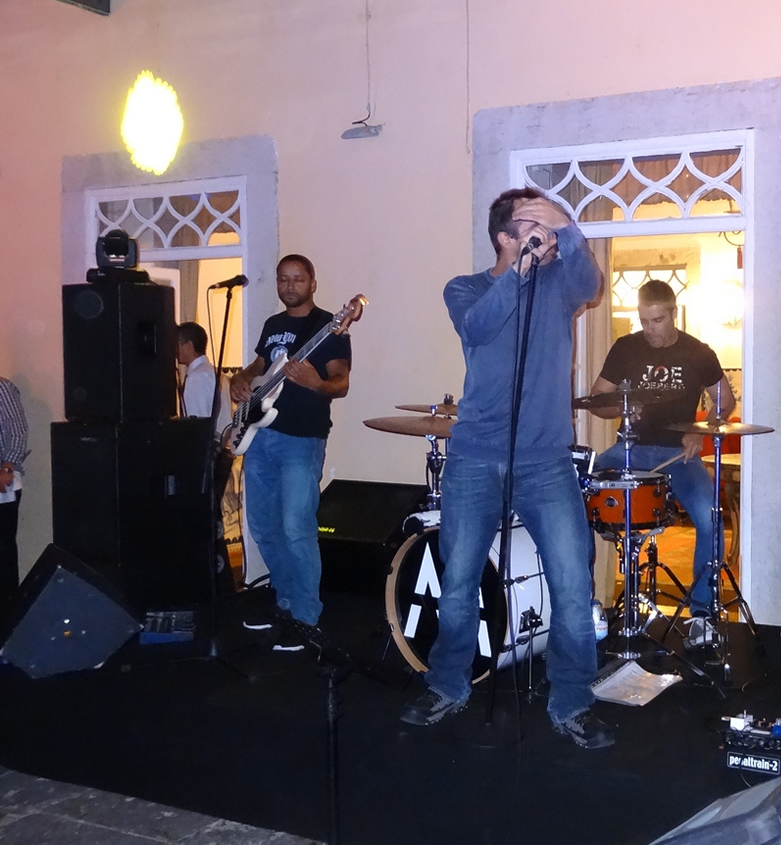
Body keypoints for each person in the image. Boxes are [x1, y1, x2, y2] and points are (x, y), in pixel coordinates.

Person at [398, 188, 613, 749]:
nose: (547, 238)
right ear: (504, 237)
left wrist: (566, 226)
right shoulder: (465, 288)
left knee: (572, 582)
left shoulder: (559, 282)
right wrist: (520, 270)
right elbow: (480, 327)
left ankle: (573, 701)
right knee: (459, 581)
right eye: (534, 228)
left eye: (549, 229)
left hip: (546, 461)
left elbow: (591, 284)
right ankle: (447, 684)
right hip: (474, 457)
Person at [586, 280, 735, 647]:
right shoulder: (625, 348)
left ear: (673, 314)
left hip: (679, 457)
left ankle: (702, 614)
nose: (649, 329)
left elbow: (725, 401)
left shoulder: (699, 353)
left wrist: (699, 431)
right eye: (644, 321)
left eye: (657, 320)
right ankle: (584, 604)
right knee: (578, 493)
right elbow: (597, 398)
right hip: (630, 449)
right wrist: (621, 406)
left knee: (710, 518)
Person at [230, 255, 352, 651]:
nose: (289, 285)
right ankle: (285, 603)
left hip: (301, 440)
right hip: (259, 437)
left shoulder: (329, 326)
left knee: (296, 529)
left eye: (298, 279)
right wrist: (240, 379)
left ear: (312, 283)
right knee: (264, 527)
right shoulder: (272, 325)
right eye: (283, 279)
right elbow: (259, 366)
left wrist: (316, 383)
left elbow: (341, 383)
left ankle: (305, 617)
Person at [0, 376, 29, 603]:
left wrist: (7, 468)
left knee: (3, 554)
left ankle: (7, 612)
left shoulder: (2, 388)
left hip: (2, 483)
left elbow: (18, 431)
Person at [176, 321, 231, 422]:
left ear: (189, 346)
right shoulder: (216, 373)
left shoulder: (196, 378)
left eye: (177, 344)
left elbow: (197, 424)